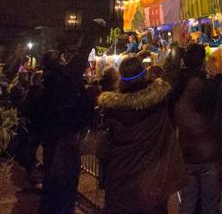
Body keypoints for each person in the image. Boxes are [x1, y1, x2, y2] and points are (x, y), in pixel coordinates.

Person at [97, 49, 186, 213]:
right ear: (145, 75)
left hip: (119, 182)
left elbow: (104, 150)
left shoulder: (111, 108)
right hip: (152, 184)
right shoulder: (157, 100)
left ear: (121, 80)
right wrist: (174, 47)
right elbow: (170, 74)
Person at [29, 46, 95, 214]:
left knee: (52, 181)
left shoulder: (44, 86)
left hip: (50, 140)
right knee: (66, 183)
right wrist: (91, 35)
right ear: (59, 63)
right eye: (62, 59)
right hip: (65, 138)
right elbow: (80, 61)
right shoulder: (63, 81)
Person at [170, 44, 222, 214]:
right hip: (208, 154)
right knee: (210, 206)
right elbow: (221, 105)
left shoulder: (177, 87)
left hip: (186, 153)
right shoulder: (210, 86)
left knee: (187, 204)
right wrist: (219, 76)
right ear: (202, 63)